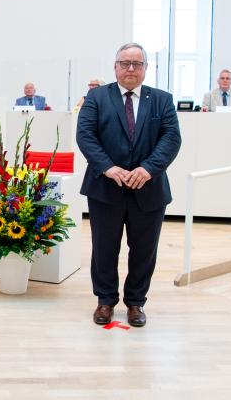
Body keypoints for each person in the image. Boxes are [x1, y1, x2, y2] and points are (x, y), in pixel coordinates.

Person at [76, 43, 181, 328]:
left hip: (149, 189)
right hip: (105, 189)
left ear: (146, 68)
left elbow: (171, 139)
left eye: (137, 63)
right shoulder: (97, 97)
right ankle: (105, 300)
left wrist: (148, 169)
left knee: (144, 250)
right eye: (125, 63)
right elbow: (85, 136)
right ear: (115, 66)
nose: (131, 69)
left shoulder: (162, 100)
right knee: (104, 248)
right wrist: (109, 167)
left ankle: (135, 302)